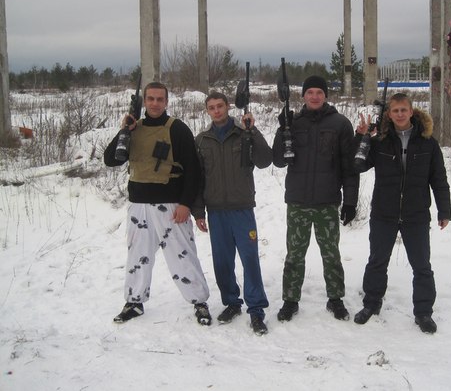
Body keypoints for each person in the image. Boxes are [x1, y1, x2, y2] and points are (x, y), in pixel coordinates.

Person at [104, 81, 211, 325]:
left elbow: (193, 171)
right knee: (137, 255)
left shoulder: (178, 129)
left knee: (182, 256)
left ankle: (199, 302)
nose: (154, 103)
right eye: (150, 99)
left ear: (166, 102)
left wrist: (185, 204)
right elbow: (111, 160)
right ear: (144, 101)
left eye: (159, 99)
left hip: (171, 205)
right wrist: (124, 131)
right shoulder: (134, 129)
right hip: (139, 205)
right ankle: (134, 301)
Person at [352, 93, 451, 333]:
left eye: (403, 110)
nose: (399, 114)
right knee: (377, 261)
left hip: (415, 214)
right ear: (389, 114)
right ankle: (371, 304)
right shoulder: (381, 141)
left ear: (411, 112)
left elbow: (439, 179)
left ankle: (424, 312)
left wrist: (444, 210)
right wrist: (362, 137)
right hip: (384, 213)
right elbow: (359, 164)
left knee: (421, 265)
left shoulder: (428, 143)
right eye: (395, 111)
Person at [272, 75, 359, 322]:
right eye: (309, 92)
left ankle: (336, 299)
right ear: (303, 96)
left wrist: (350, 200)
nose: (314, 96)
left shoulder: (341, 124)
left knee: (331, 253)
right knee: (294, 255)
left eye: (319, 92)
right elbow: (278, 160)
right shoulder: (293, 123)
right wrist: (282, 129)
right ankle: (290, 300)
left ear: (326, 95)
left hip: (327, 202)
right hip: (298, 201)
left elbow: (348, 166)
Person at [192, 92, 271, 336]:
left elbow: (265, 160)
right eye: (211, 107)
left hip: (242, 209)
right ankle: (232, 302)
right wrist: (198, 212)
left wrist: (253, 131)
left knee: (250, 259)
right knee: (222, 262)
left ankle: (256, 309)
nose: (216, 111)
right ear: (207, 111)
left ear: (228, 107)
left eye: (220, 106)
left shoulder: (243, 132)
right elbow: (197, 179)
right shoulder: (202, 141)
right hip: (216, 211)